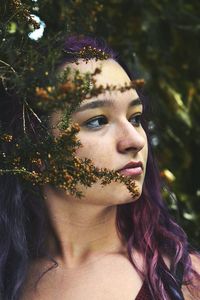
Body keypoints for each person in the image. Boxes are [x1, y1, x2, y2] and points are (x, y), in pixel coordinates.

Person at [0, 36, 200, 300]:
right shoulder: (9, 281)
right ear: (34, 146)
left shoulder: (185, 278)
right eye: (97, 121)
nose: (136, 140)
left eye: (135, 118)